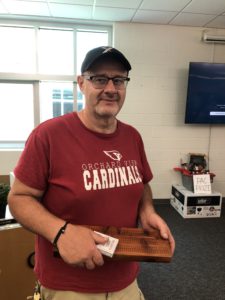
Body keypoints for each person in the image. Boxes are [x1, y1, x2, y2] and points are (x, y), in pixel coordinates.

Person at [8, 46, 175, 300]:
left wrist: (147, 211)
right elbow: (18, 199)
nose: (110, 88)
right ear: (81, 83)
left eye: (118, 80)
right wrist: (61, 232)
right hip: (68, 286)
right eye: (99, 79)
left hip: (126, 280)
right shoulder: (48, 136)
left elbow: (141, 184)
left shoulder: (132, 137)